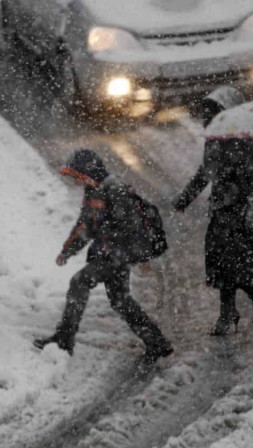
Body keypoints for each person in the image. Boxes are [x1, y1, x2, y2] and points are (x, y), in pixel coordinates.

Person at [34, 148, 173, 364]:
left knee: (79, 283)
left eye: (76, 177)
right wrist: (67, 251)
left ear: (87, 173)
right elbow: (85, 227)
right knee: (120, 300)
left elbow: (131, 226)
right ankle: (156, 342)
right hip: (110, 254)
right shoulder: (93, 191)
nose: (74, 182)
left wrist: (141, 256)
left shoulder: (114, 189)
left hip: (116, 255)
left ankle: (64, 340)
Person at [173, 87, 253, 336]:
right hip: (221, 211)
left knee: (230, 264)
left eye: (213, 114)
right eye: (206, 115)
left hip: (239, 213)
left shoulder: (243, 139)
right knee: (230, 264)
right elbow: (206, 172)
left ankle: (228, 314)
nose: (207, 120)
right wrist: (186, 198)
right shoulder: (215, 140)